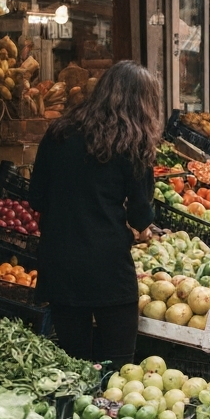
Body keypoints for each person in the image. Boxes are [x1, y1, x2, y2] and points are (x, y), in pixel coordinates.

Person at [29, 61, 159, 362]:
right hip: (107, 267)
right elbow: (140, 214)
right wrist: (141, 228)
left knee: (73, 361)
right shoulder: (133, 141)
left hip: (58, 262)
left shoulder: (58, 131)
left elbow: (36, 197)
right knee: (119, 366)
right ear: (143, 103)